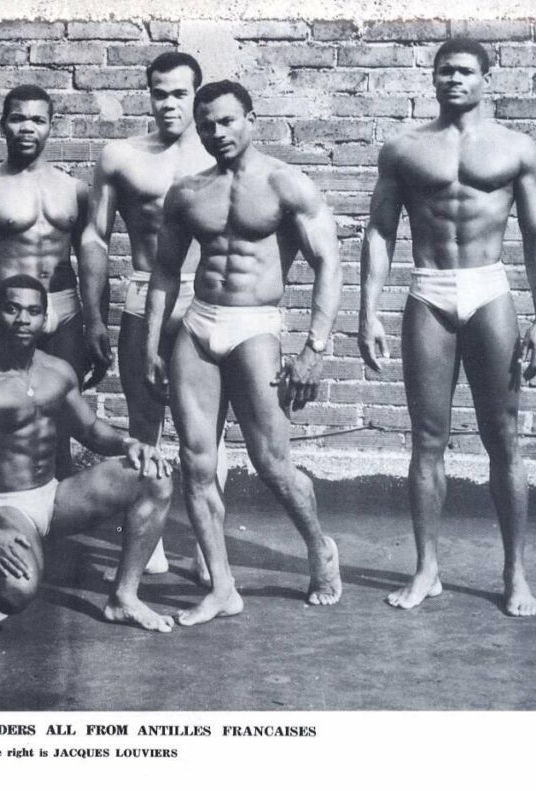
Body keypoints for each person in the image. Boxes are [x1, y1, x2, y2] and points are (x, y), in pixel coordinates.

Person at [359, 39, 536, 617]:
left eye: (465, 71)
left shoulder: (516, 149)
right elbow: (379, 229)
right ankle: (427, 570)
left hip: (489, 289)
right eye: (444, 70)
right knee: (426, 440)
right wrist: (368, 310)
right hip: (430, 291)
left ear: (486, 78)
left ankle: (515, 574)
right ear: (433, 77)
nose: (453, 79)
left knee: (504, 438)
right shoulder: (404, 149)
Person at [146, 80, 343, 626]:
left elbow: (329, 262)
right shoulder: (187, 191)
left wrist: (315, 348)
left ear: (251, 119)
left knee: (273, 463)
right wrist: (150, 344)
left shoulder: (285, 183)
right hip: (200, 322)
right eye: (206, 124)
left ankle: (320, 548)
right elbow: (165, 270)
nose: (216, 133)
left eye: (227, 121)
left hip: (256, 325)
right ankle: (223, 587)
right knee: (196, 461)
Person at [0, 275, 175, 633]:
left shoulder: (57, 372)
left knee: (156, 477)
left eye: (33, 312)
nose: (22, 320)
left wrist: (129, 445)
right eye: (12, 309)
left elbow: (91, 429)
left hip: (54, 497)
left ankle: (124, 598)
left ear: (45, 319)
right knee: (17, 590)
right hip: (4, 504)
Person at [80, 52, 218, 578]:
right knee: (147, 423)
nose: (168, 104)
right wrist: (93, 313)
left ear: (196, 95)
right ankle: (149, 538)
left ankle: (209, 548)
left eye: (180, 93)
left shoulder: (218, 156)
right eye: (159, 93)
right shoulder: (122, 157)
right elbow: (95, 235)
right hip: (144, 294)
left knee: (207, 431)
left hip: (205, 298)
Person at [0, 85, 89, 478]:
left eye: (38, 120)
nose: (27, 127)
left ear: (51, 126)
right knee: (5, 419)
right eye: (18, 118)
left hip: (64, 308)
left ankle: (58, 522)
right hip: (13, 313)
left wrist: (96, 321)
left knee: (63, 419)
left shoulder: (73, 190)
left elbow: (91, 258)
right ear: (2, 124)